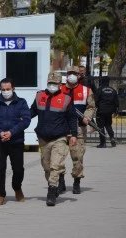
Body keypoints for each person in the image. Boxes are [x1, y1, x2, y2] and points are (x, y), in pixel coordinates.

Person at [30, 72, 78, 206]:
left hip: (59, 137)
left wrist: (73, 134)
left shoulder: (67, 98)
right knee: (46, 167)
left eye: (55, 84)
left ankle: (51, 191)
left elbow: (72, 117)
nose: (52, 86)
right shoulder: (40, 95)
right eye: (50, 83)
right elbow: (32, 111)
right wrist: (20, 119)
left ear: (60, 85)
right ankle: (53, 184)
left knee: (55, 165)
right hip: (43, 137)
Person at [0, 78, 31, 206]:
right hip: (0, 142)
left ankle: (17, 188)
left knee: (18, 169)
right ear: (0, 90)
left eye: (8, 89)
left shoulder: (21, 103)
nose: (5, 92)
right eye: (3, 89)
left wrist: (11, 132)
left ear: (13, 89)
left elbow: (26, 120)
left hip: (16, 141)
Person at [60, 66, 96, 195]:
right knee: (58, 157)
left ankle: (77, 182)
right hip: (61, 128)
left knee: (78, 157)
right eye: (69, 73)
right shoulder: (59, 89)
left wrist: (87, 116)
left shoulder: (86, 90)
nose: (71, 75)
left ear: (79, 75)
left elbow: (91, 107)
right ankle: (60, 181)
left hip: (79, 128)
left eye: (74, 73)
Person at [95, 76, 119, 148]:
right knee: (108, 125)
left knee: (101, 126)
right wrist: (115, 111)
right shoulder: (113, 90)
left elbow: (96, 100)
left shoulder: (99, 89)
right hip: (109, 111)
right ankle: (112, 137)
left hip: (101, 111)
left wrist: (97, 106)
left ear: (101, 81)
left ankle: (103, 143)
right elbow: (116, 102)